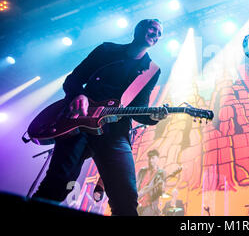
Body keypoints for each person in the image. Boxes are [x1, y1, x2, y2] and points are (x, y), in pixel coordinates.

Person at [32, 19, 168, 216]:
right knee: (57, 185)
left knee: (126, 199)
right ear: (138, 29)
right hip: (78, 123)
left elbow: (140, 110)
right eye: (152, 29)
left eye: (159, 33)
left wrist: (153, 117)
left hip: (115, 133)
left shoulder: (152, 70)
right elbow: (74, 79)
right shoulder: (106, 50)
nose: (156, 34)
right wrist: (79, 95)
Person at [137, 149, 166, 216]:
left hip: (150, 206)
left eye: (153, 158)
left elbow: (161, 192)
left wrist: (161, 187)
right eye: (149, 158)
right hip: (138, 204)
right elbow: (136, 185)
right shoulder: (142, 171)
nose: (150, 160)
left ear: (158, 159)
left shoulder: (161, 173)